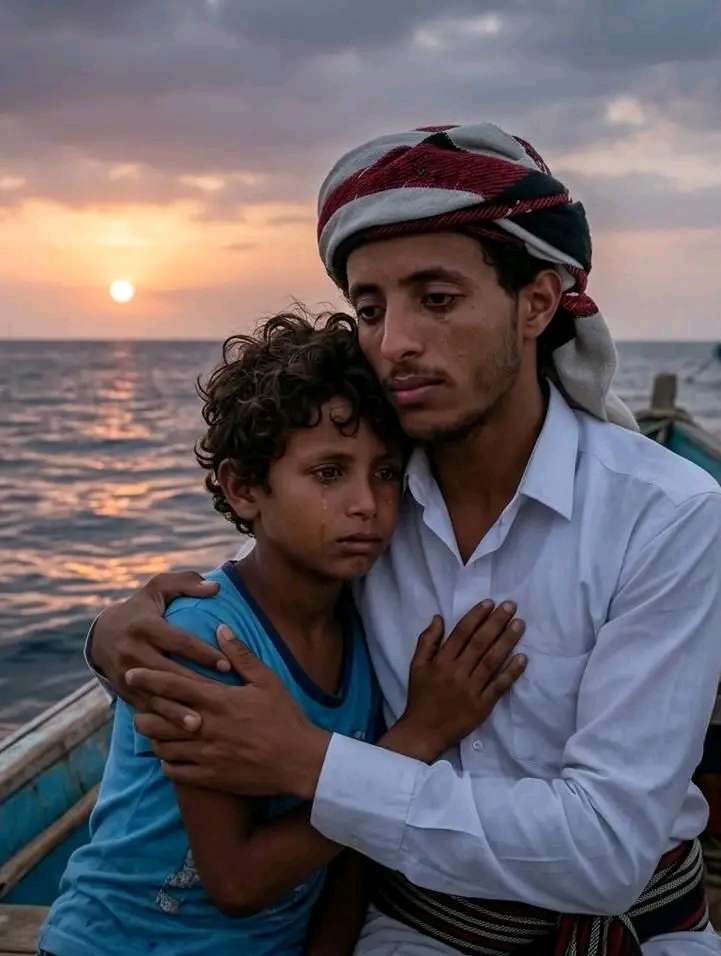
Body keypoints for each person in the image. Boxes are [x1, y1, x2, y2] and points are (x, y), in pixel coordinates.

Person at [88, 124, 721, 955]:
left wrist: (310, 763)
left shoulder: (666, 512)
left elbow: (604, 853)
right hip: (414, 927)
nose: (393, 345)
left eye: (437, 299)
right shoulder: (368, 503)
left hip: (635, 931)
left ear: (536, 304)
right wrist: (110, 639)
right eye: (370, 309)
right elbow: (253, 597)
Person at [38, 311, 527, 956]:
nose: (366, 503)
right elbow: (237, 880)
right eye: (328, 473)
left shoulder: (367, 626)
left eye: (385, 473)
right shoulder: (207, 639)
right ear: (244, 489)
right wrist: (420, 737)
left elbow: (356, 857)